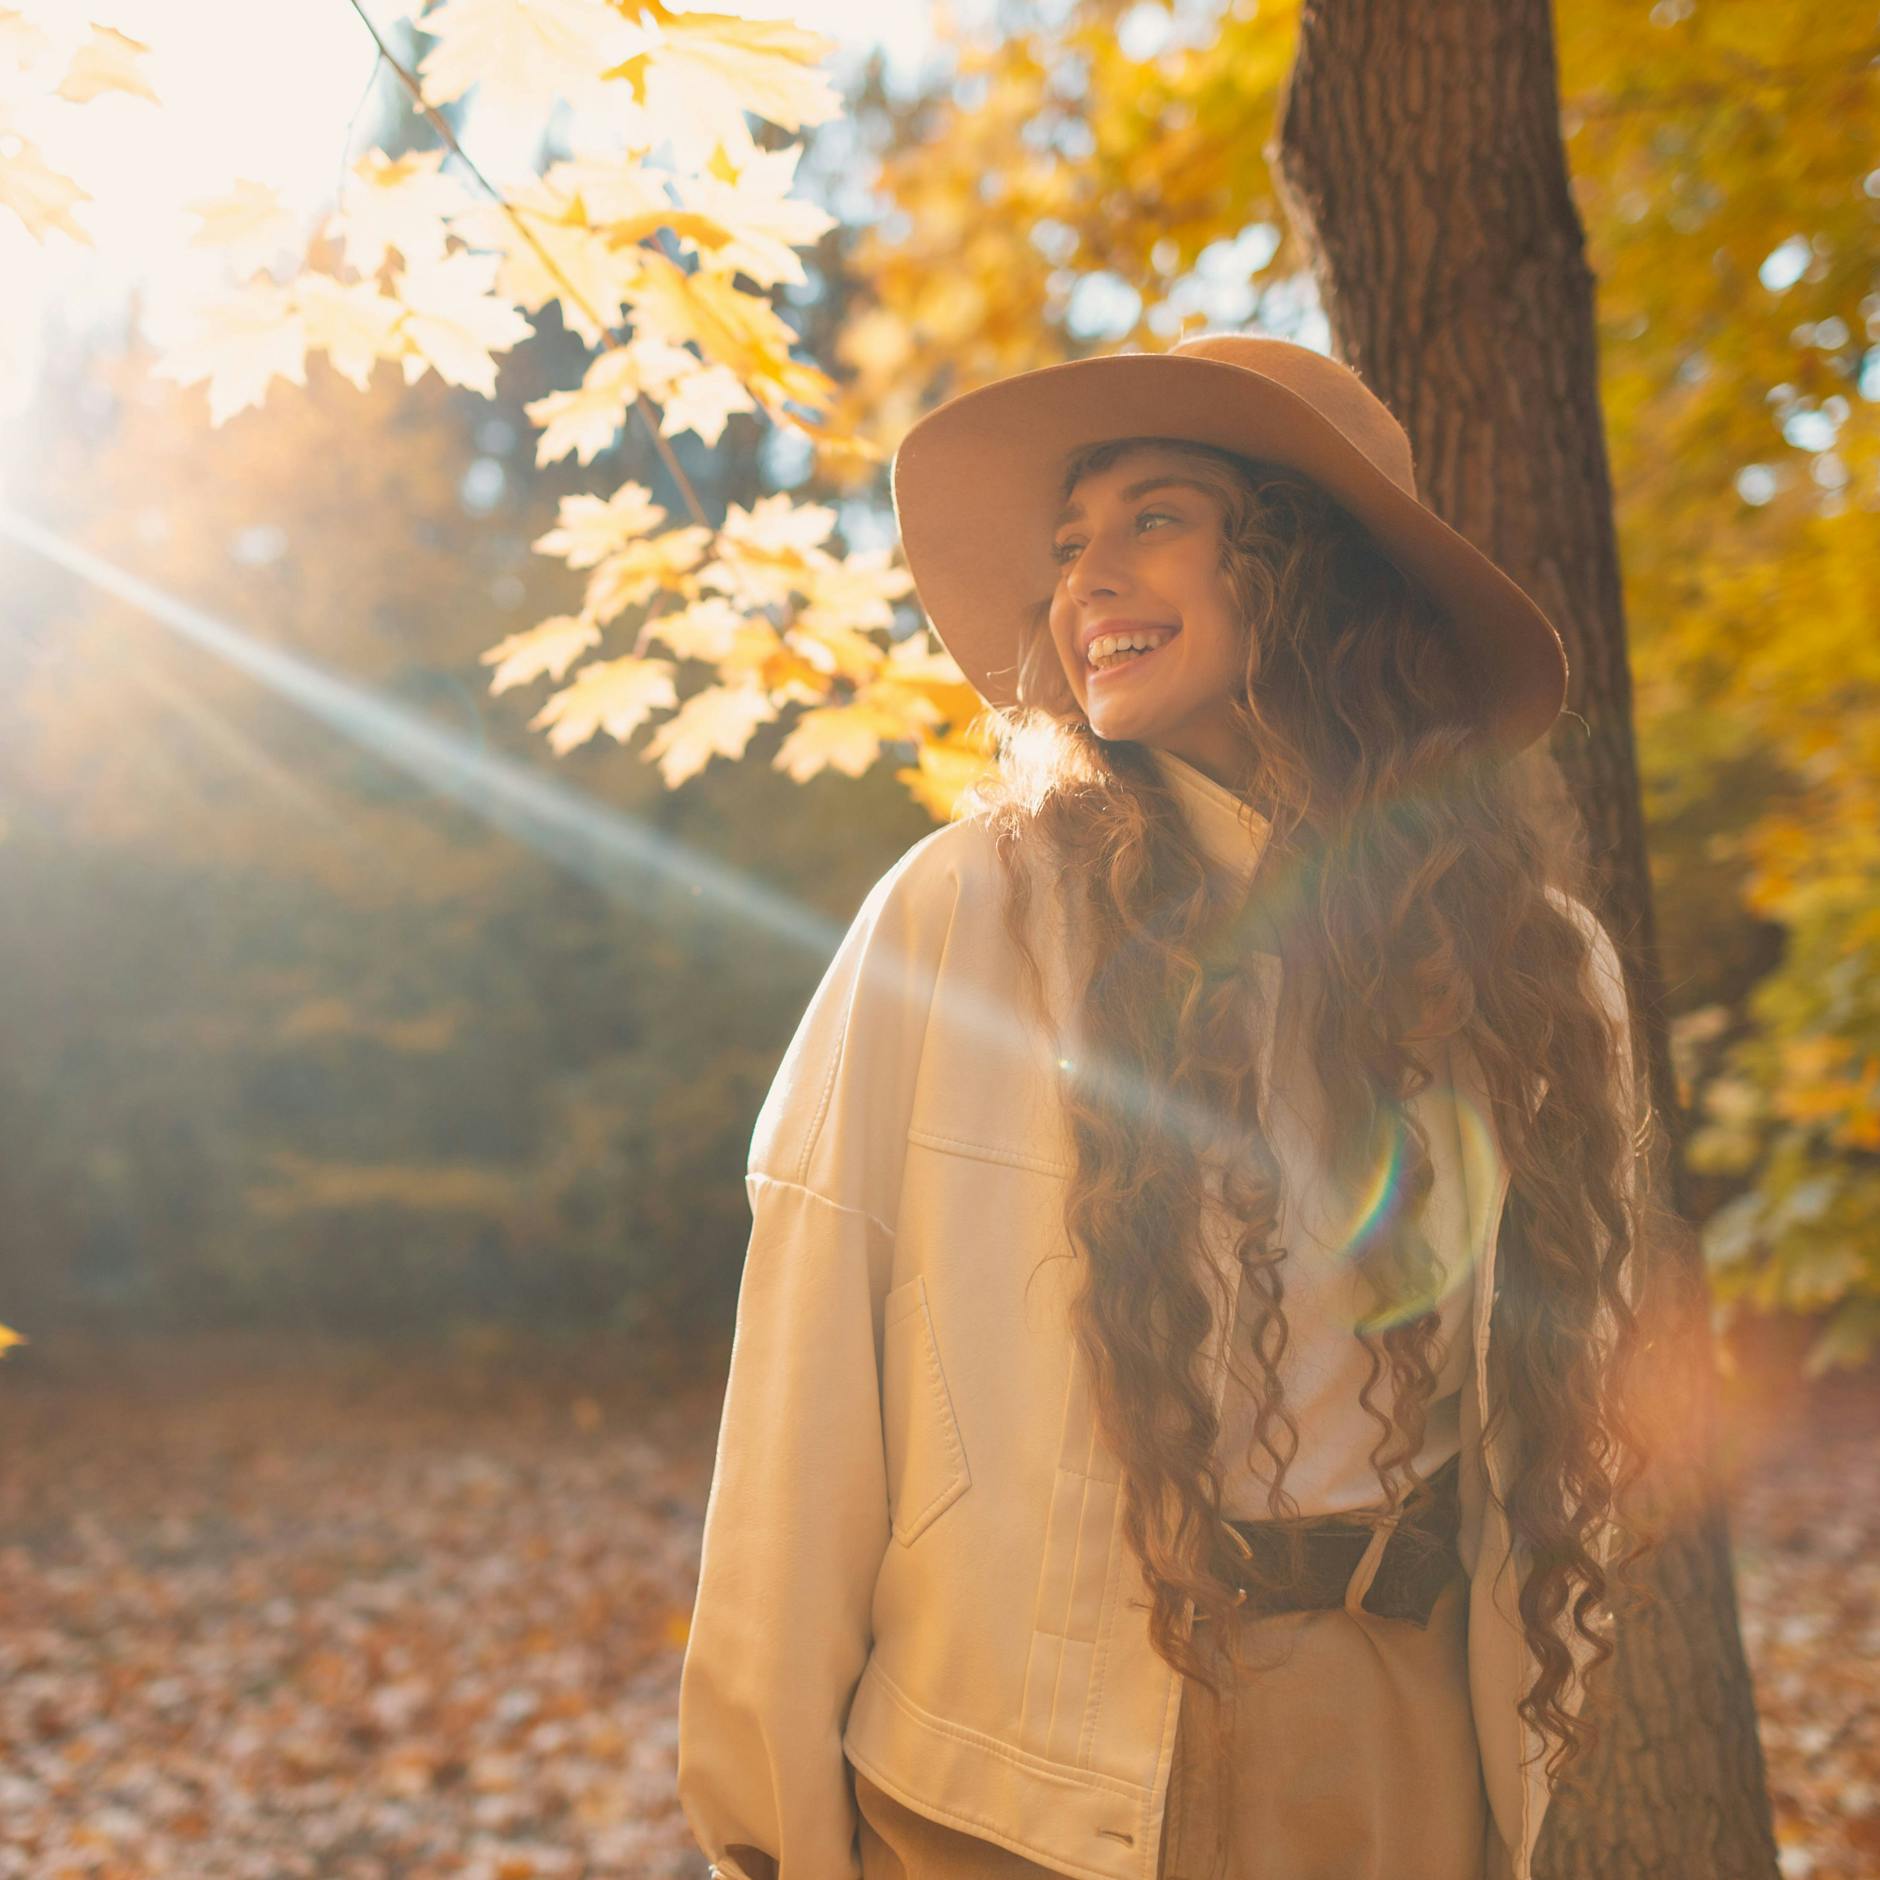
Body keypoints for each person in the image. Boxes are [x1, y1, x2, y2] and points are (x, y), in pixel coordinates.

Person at [676, 332, 1661, 1880]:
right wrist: (775, 1836)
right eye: (1067, 547)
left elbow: (1558, 1430)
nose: (1084, 585)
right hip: (1005, 1772)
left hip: (1386, 1754)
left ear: (1310, 568)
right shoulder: (966, 916)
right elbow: (804, 1394)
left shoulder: (1536, 979)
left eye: (1154, 519)